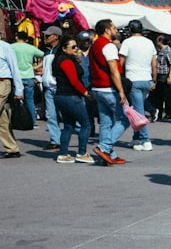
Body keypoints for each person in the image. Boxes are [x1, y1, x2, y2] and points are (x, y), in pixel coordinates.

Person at [87, 19, 129, 166]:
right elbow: (114, 70)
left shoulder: (94, 45)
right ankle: (104, 147)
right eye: (113, 28)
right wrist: (121, 91)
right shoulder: (108, 46)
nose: (116, 30)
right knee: (125, 118)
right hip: (108, 88)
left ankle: (109, 154)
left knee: (106, 122)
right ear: (106, 30)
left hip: (97, 87)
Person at [51, 35, 94, 164]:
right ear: (64, 48)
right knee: (86, 124)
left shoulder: (65, 60)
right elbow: (74, 81)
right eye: (73, 47)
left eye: (77, 46)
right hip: (69, 96)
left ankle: (63, 153)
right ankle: (81, 152)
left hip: (62, 96)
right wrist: (85, 92)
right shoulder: (65, 61)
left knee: (68, 125)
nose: (76, 49)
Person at [119, 20, 156, 151]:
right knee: (136, 109)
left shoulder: (127, 42)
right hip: (146, 78)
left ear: (130, 29)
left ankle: (145, 140)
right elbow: (154, 62)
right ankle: (137, 138)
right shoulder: (149, 42)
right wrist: (154, 79)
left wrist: (119, 78)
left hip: (133, 79)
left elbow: (121, 62)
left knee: (139, 111)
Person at [10, 30, 44, 129]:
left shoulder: (12, 47)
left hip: (16, 76)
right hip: (29, 76)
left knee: (15, 100)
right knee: (30, 100)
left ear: (17, 37)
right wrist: (37, 67)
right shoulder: (31, 48)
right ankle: (33, 122)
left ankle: (16, 120)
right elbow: (44, 55)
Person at [0, 38, 26, 158]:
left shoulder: (5, 47)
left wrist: (19, 89)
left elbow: (14, 68)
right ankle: (12, 148)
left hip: (3, 83)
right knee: (2, 120)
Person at [40, 26, 64, 149]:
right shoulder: (47, 51)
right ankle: (56, 140)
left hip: (59, 86)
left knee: (66, 114)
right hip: (48, 87)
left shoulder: (61, 51)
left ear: (56, 36)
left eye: (48, 35)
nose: (46, 37)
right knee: (50, 115)